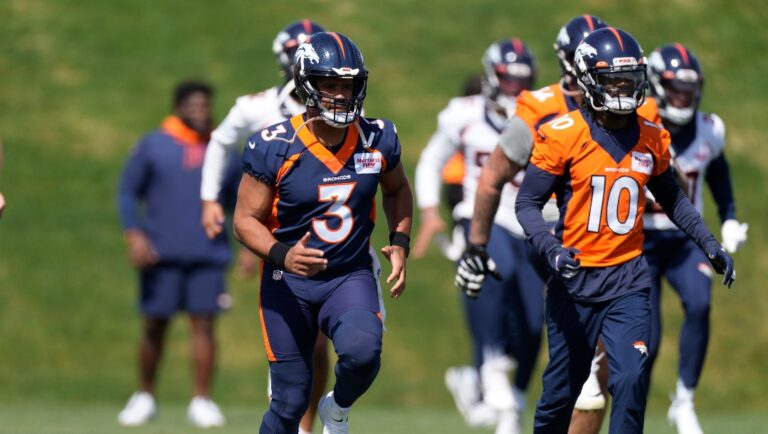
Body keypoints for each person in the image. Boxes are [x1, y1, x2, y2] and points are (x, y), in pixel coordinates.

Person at [509, 28, 734, 433]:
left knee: (630, 378)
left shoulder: (651, 135)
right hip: (574, 280)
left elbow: (675, 198)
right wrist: (550, 248)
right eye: (614, 79)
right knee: (561, 395)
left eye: (630, 78)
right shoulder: (562, 133)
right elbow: (526, 203)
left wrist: (709, 243)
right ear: (588, 79)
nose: (624, 88)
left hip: (628, 280)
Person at [232, 32, 413, 434]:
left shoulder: (377, 136)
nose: (340, 96)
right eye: (330, 85)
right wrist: (282, 254)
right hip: (287, 280)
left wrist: (400, 241)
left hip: (348, 274)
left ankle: (338, 409)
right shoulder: (275, 145)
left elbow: (397, 189)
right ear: (307, 86)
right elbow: (244, 220)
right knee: (290, 401)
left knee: (363, 354)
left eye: (347, 86)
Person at [454, 15, 611, 434]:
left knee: (611, 365)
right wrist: (475, 244)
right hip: (545, 234)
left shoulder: (634, 109)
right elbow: (493, 176)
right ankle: (495, 376)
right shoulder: (539, 107)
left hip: (610, 240)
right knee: (582, 358)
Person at [199, 19, 334, 434]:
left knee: (322, 335)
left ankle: (308, 423)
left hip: (327, 226)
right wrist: (208, 198)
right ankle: (289, 418)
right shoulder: (256, 107)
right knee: (289, 329)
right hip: (271, 230)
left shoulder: (340, 104)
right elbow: (221, 140)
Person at [416, 38, 541, 434]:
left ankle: (513, 403)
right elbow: (432, 160)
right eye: (507, 81)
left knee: (535, 323)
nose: (514, 90)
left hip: (529, 223)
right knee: (492, 265)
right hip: (480, 215)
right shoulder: (463, 114)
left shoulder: (544, 115)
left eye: (522, 82)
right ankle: (488, 364)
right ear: (490, 78)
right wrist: (431, 210)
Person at [117, 80, 241, 428]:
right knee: (154, 324)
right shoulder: (153, 146)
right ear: (179, 107)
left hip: (207, 251)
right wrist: (134, 235)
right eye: (195, 106)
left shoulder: (224, 149)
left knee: (204, 324)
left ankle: (202, 400)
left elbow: (241, 201)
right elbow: (128, 193)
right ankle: (144, 396)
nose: (202, 112)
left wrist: (250, 245)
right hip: (161, 252)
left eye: (206, 106)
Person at [642, 43, 748, 434]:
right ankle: (632, 408)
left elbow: (718, 174)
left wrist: (731, 218)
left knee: (700, 303)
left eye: (689, 90)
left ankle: (684, 400)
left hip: (686, 239)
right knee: (646, 342)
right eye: (676, 89)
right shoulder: (639, 125)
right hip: (641, 240)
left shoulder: (709, 129)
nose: (683, 98)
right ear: (657, 85)